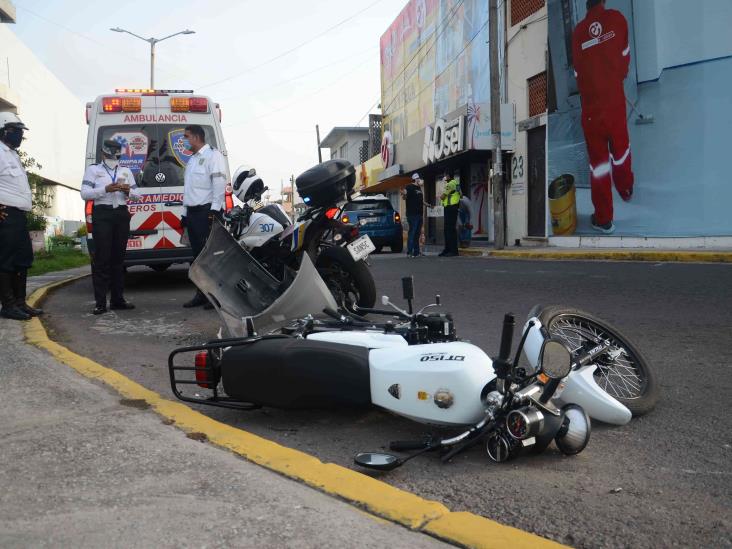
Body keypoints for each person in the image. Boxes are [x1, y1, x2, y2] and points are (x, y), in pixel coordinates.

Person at [572, 0, 634, 235]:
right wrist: (616, 78)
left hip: (591, 111)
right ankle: (626, 189)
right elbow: (624, 57)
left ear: (586, 5)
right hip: (615, 103)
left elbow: (578, 74)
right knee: (621, 151)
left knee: (598, 165)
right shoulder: (618, 20)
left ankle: (604, 219)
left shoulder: (578, 33)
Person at [81, 139, 141, 315]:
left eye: (116, 155)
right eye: (110, 155)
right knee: (102, 259)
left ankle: (117, 299)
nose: (114, 158)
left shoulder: (125, 170)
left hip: (121, 214)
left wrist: (127, 191)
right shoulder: (94, 170)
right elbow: (84, 193)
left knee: (118, 259)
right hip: (103, 214)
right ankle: (100, 303)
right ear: (103, 154)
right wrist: (105, 189)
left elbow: (138, 195)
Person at [0, 112, 43, 321]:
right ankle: (7, 305)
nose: (19, 135)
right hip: (5, 213)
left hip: (17, 215)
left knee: (23, 259)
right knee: (6, 261)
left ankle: (19, 303)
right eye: (16, 131)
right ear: (4, 130)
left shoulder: (12, 155)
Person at [181, 124, 227, 308]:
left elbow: (219, 183)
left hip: (206, 212)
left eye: (186, 136)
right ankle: (201, 294)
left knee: (210, 257)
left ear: (196, 137)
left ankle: (215, 298)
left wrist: (215, 210)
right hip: (193, 214)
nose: (184, 140)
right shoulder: (192, 160)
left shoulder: (213, 156)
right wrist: (184, 214)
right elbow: (189, 189)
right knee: (197, 258)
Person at [402, 173, 425, 257]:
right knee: (412, 232)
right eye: (419, 179)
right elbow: (404, 197)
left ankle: (416, 252)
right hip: (412, 214)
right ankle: (409, 252)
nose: (420, 180)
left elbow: (420, 200)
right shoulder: (409, 187)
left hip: (419, 214)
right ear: (416, 179)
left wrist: (427, 205)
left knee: (417, 234)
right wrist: (404, 193)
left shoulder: (419, 188)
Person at [439, 171, 460, 257]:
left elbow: (442, 196)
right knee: (450, 230)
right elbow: (461, 195)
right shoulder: (456, 183)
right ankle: (448, 249)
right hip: (454, 207)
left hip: (450, 208)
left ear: (448, 176)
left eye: (445, 176)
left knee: (449, 230)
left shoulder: (449, 184)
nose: (444, 177)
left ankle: (452, 251)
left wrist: (441, 195)